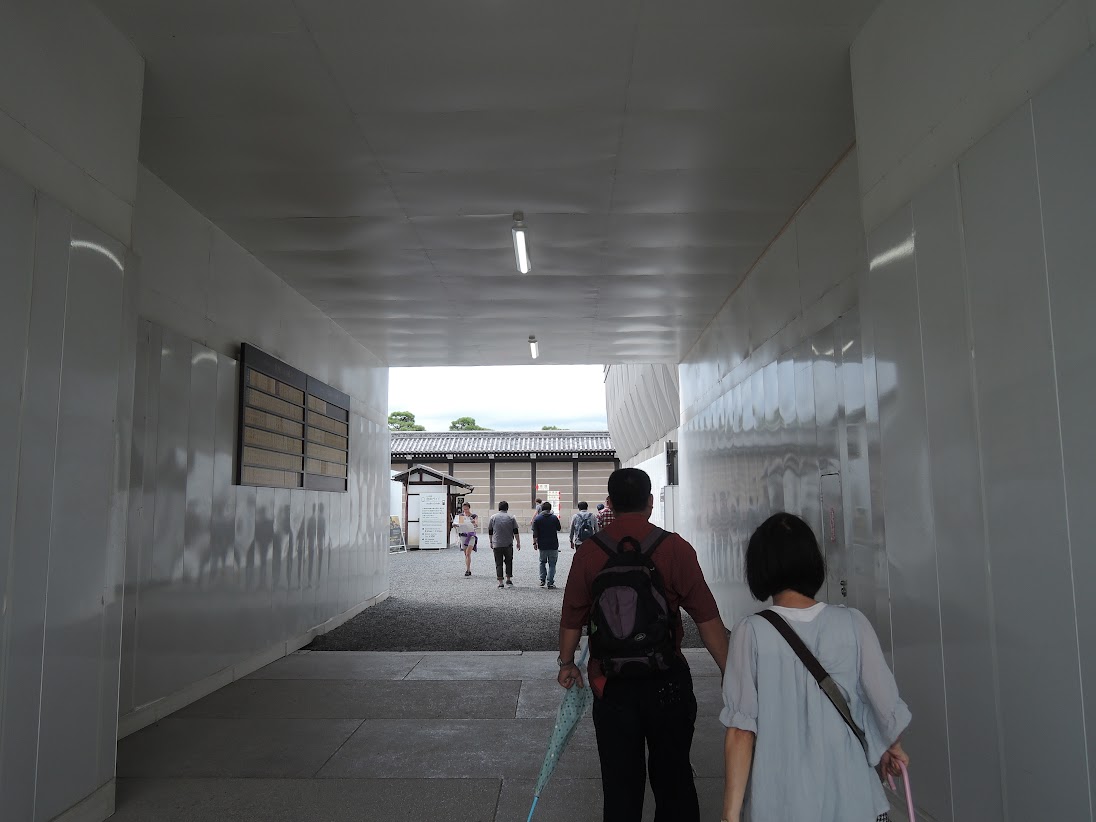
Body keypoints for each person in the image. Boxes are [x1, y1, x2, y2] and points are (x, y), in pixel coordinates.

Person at [558, 468, 729, 822]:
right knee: (674, 779)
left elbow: (572, 616)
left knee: (620, 785)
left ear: (609, 504)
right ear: (650, 502)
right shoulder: (675, 548)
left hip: (611, 684)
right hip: (667, 682)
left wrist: (567, 663)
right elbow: (707, 618)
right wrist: (730, 670)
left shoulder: (589, 553)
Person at [721, 512, 911, 822]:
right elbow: (884, 705)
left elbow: (742, 732)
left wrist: (729, 816)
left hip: (781, 804)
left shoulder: (751, 632)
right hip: (854, 801)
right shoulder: (853, 623)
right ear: (813, 562)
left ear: (760, 567)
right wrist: (893, 745)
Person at [487, 501, 521, 589]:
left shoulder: (493, 517)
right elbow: (515, 530)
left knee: (498, 563)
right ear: (507, 508)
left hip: (497, 543)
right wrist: (518, 542)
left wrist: (491, 541)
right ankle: (508, 579)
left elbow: (490, 530)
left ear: (499, 508)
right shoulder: (511, 517)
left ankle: (500, 582)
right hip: (508, 543)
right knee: (509, 561)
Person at [532, 501, 562, 588]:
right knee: (552, 564)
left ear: (542, 509)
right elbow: (559, 528)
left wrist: (534, 543)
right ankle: (550, 582)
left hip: (542, 544)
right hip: (553, 544)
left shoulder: (538, 519)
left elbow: (535, 533)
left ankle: (542, 579)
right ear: (550, 509)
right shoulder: (554, 518)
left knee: (542, 562)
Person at [452, 502, 478, 577]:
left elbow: (476, 525)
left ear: (469, 508)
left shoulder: (474, 516)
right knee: (466, 554)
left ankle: (468, 570)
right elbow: (460, 525)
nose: (465, 511)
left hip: (471, 536)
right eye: (464, 509)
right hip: (463, 535)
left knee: (468, 553)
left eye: (466, 509)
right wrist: (455, 525)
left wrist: (473, 522)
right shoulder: (461, 516)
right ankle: (468, 568)